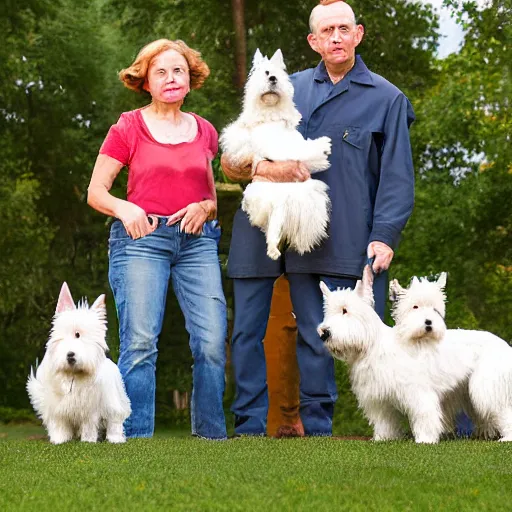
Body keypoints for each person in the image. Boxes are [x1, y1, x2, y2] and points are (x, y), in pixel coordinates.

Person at [221, 0, 415, 436]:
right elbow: (232, 159)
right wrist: (260, 168)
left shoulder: (387, 99)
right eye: (326, 31)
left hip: (332, 232)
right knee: (245, 332)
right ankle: (248, 426)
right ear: (313, 41)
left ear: (358, 34)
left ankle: (319, 427)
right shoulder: (285, 88)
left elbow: (397, 178)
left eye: (344, 29)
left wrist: (384, 235)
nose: (336, 37)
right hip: (262, 222)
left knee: (316, 333)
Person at [87, 39, 227, 440]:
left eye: (178, 70)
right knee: (141, 342)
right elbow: (96, 191)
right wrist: (125, 208)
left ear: (190, 78)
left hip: (196, 242)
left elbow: (211, 198)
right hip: (142, 239)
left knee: (213, 341)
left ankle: (211, 437)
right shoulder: (127, 127)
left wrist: (205, 207)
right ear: (145, 80)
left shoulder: (205, 131)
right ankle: (134, 437)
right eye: (160, 71)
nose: (171, 78)